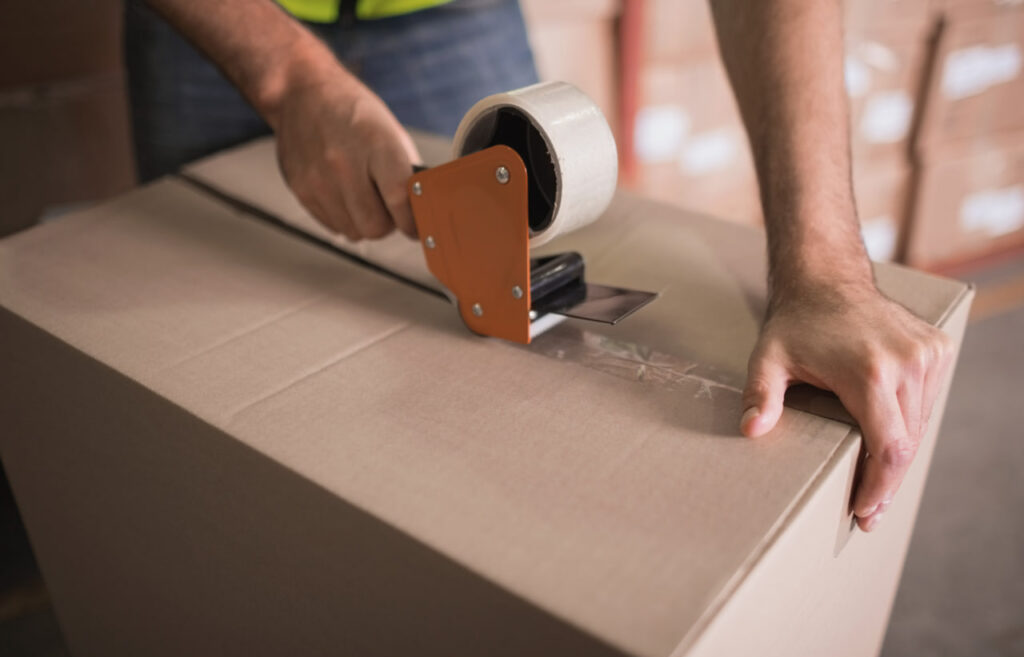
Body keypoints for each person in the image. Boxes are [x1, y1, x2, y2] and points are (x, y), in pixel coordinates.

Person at [127, 0, 953, 533]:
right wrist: (286, 76)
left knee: (483, 455)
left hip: (448, 12)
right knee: (215, 411)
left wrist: (824, 274)